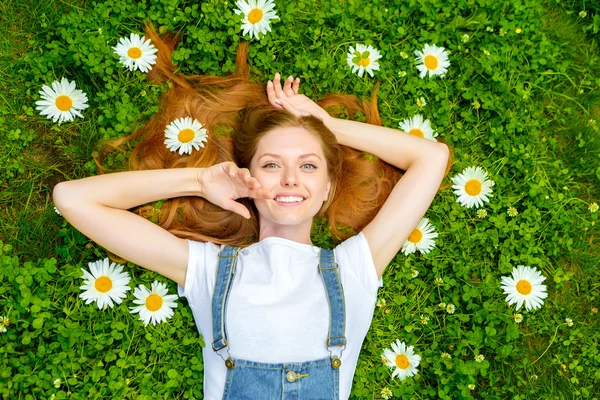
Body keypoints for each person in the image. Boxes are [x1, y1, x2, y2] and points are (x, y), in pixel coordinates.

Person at [53, 24, 452, 400]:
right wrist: (200, 182)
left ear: (328, 187)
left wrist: (329, 126)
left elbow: (431, 157)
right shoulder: (209, 271)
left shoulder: (356, 268)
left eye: (309, 165)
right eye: (272, 165)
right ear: (248, 180)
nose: (291, 179)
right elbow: (72, 199)